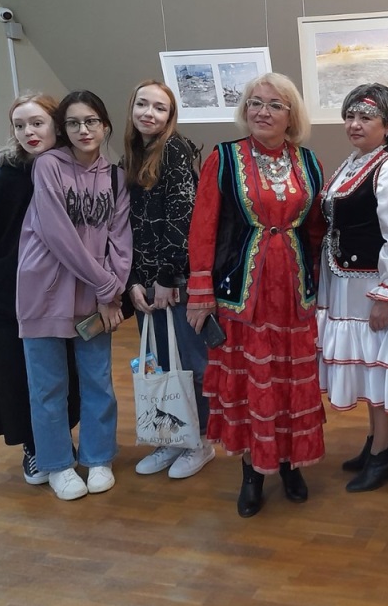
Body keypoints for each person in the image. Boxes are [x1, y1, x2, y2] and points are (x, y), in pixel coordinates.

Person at [186, 72, 326, 518]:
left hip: (294, 295)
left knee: (290, 380)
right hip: (243, 296)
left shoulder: (309, 161)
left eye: (274, 105)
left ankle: (289, 463)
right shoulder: (224, 158)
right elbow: (203, 227)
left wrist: (323, 283)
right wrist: (200, 290)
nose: (262, 112)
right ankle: (252, 472)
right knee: (252, 381)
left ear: (291, 115)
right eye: (255, 103)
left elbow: (316, 228)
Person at [0, 92, 80, 485]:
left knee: (60, 377)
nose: (29, 132)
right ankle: (34, 448)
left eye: (37, 123)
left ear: (56, 125)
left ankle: (58, 442)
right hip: (4, 303)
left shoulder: (67, 172)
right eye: (20, 125)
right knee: (17, 380)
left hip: (56, 297)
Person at [17, 90, 132, 501]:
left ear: (105, 125)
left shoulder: (116, 176)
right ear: (63, 129)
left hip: (95, 297)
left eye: (91, 121)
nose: (83, 130)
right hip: (43, 292)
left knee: (98, 380)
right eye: (73, 123)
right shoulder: (48, 165)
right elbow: (58, 234)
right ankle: (57, 465)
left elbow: (121, 240)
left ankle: (98, 457)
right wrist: (107, 286)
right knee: (48, 387)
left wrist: (110, 292)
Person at [317, 83, 388, 492]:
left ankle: (383, 454)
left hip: (373, 285)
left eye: (366, 117)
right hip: (346, 283)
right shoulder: (356, 161)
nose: (354, 124)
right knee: (368, 367)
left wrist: (387, 294)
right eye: (350, 116)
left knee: (378, 367)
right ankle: (376, 443)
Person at [123, 80, 214, 479]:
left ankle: (201, 441)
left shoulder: (174, 149)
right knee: (159, 365)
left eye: (159, 108)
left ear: (170, 116)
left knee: (190, 364)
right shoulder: (133, 155)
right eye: (142, 104)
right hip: (145, 282)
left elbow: (183, 216)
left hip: (174, 280)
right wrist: (133, 280)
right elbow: (128, 227)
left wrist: (164, 276)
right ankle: (172, 436)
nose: (149, 113)